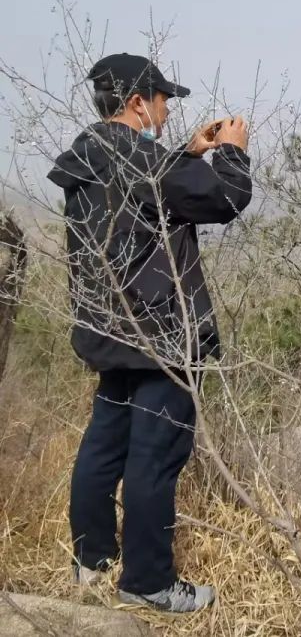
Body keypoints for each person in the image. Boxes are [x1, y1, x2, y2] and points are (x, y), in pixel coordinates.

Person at [47, 53, 251, 613]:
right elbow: (224, 199)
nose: (165, 108)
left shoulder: (88, 155)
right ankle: (148, 582)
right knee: (154, 458)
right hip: (159, 333)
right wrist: (232, 151)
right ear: (139, 101)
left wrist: (187, 153)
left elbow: (138, 202)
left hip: (108, 328)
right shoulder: (141, 158)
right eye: (161, 99)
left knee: (104, 446)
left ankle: (91, 562)